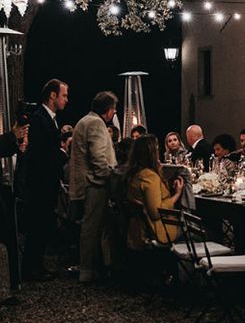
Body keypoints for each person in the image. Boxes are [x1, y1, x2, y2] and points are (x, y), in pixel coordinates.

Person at [18, 78, 69, 280]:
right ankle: (31, 268)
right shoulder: (40, 119)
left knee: (41, 225)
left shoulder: (49, 118)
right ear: (52, 95)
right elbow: (42, 153)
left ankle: (35, 265)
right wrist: (63, 156)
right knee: (38, 225)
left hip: (45, 182)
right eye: (64, 95)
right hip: (40, 183)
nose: (67, 100)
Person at [69, 91, 118, 283]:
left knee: (90, 228)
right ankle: (88, 270)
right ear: (108, 109)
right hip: (94, 185)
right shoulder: (96, 124)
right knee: (92, 228)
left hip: (86, 183)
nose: (114, 113)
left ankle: (92, 268)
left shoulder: (84, 121)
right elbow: (98, 156)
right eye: (114, 109)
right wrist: (107, 177)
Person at [125, 135, 184, 250]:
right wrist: (177, 194)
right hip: (158, 230)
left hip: (137, 230)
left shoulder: (134, 174)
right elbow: (156, 212)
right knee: (203, 232)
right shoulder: (149, 177)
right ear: (151, 153)